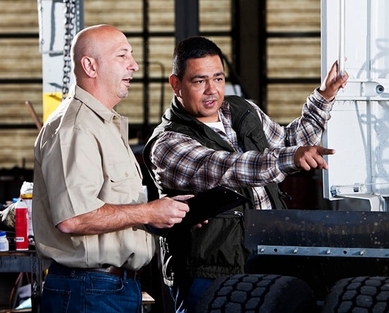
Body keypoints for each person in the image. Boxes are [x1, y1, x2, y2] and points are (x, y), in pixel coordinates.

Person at [143, 36, 348, 312]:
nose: (211, 90)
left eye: (217, 79)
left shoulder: (241, 110)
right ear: (176, 84)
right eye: (199, 81)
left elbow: (288, 142)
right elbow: (228, 167)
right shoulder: (168, 144)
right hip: (208, 274)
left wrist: (323, 96)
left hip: (266, 258)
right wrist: (291, 158)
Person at [32, 24, 191, 313]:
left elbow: (113, 207)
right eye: (122, 56)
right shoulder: (75, 129)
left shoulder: (104, 125)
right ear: (90, 66)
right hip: (88, 290)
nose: (134, 65)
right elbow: (74, 218)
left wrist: (164, 212)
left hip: (109, 289)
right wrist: (148, 212)